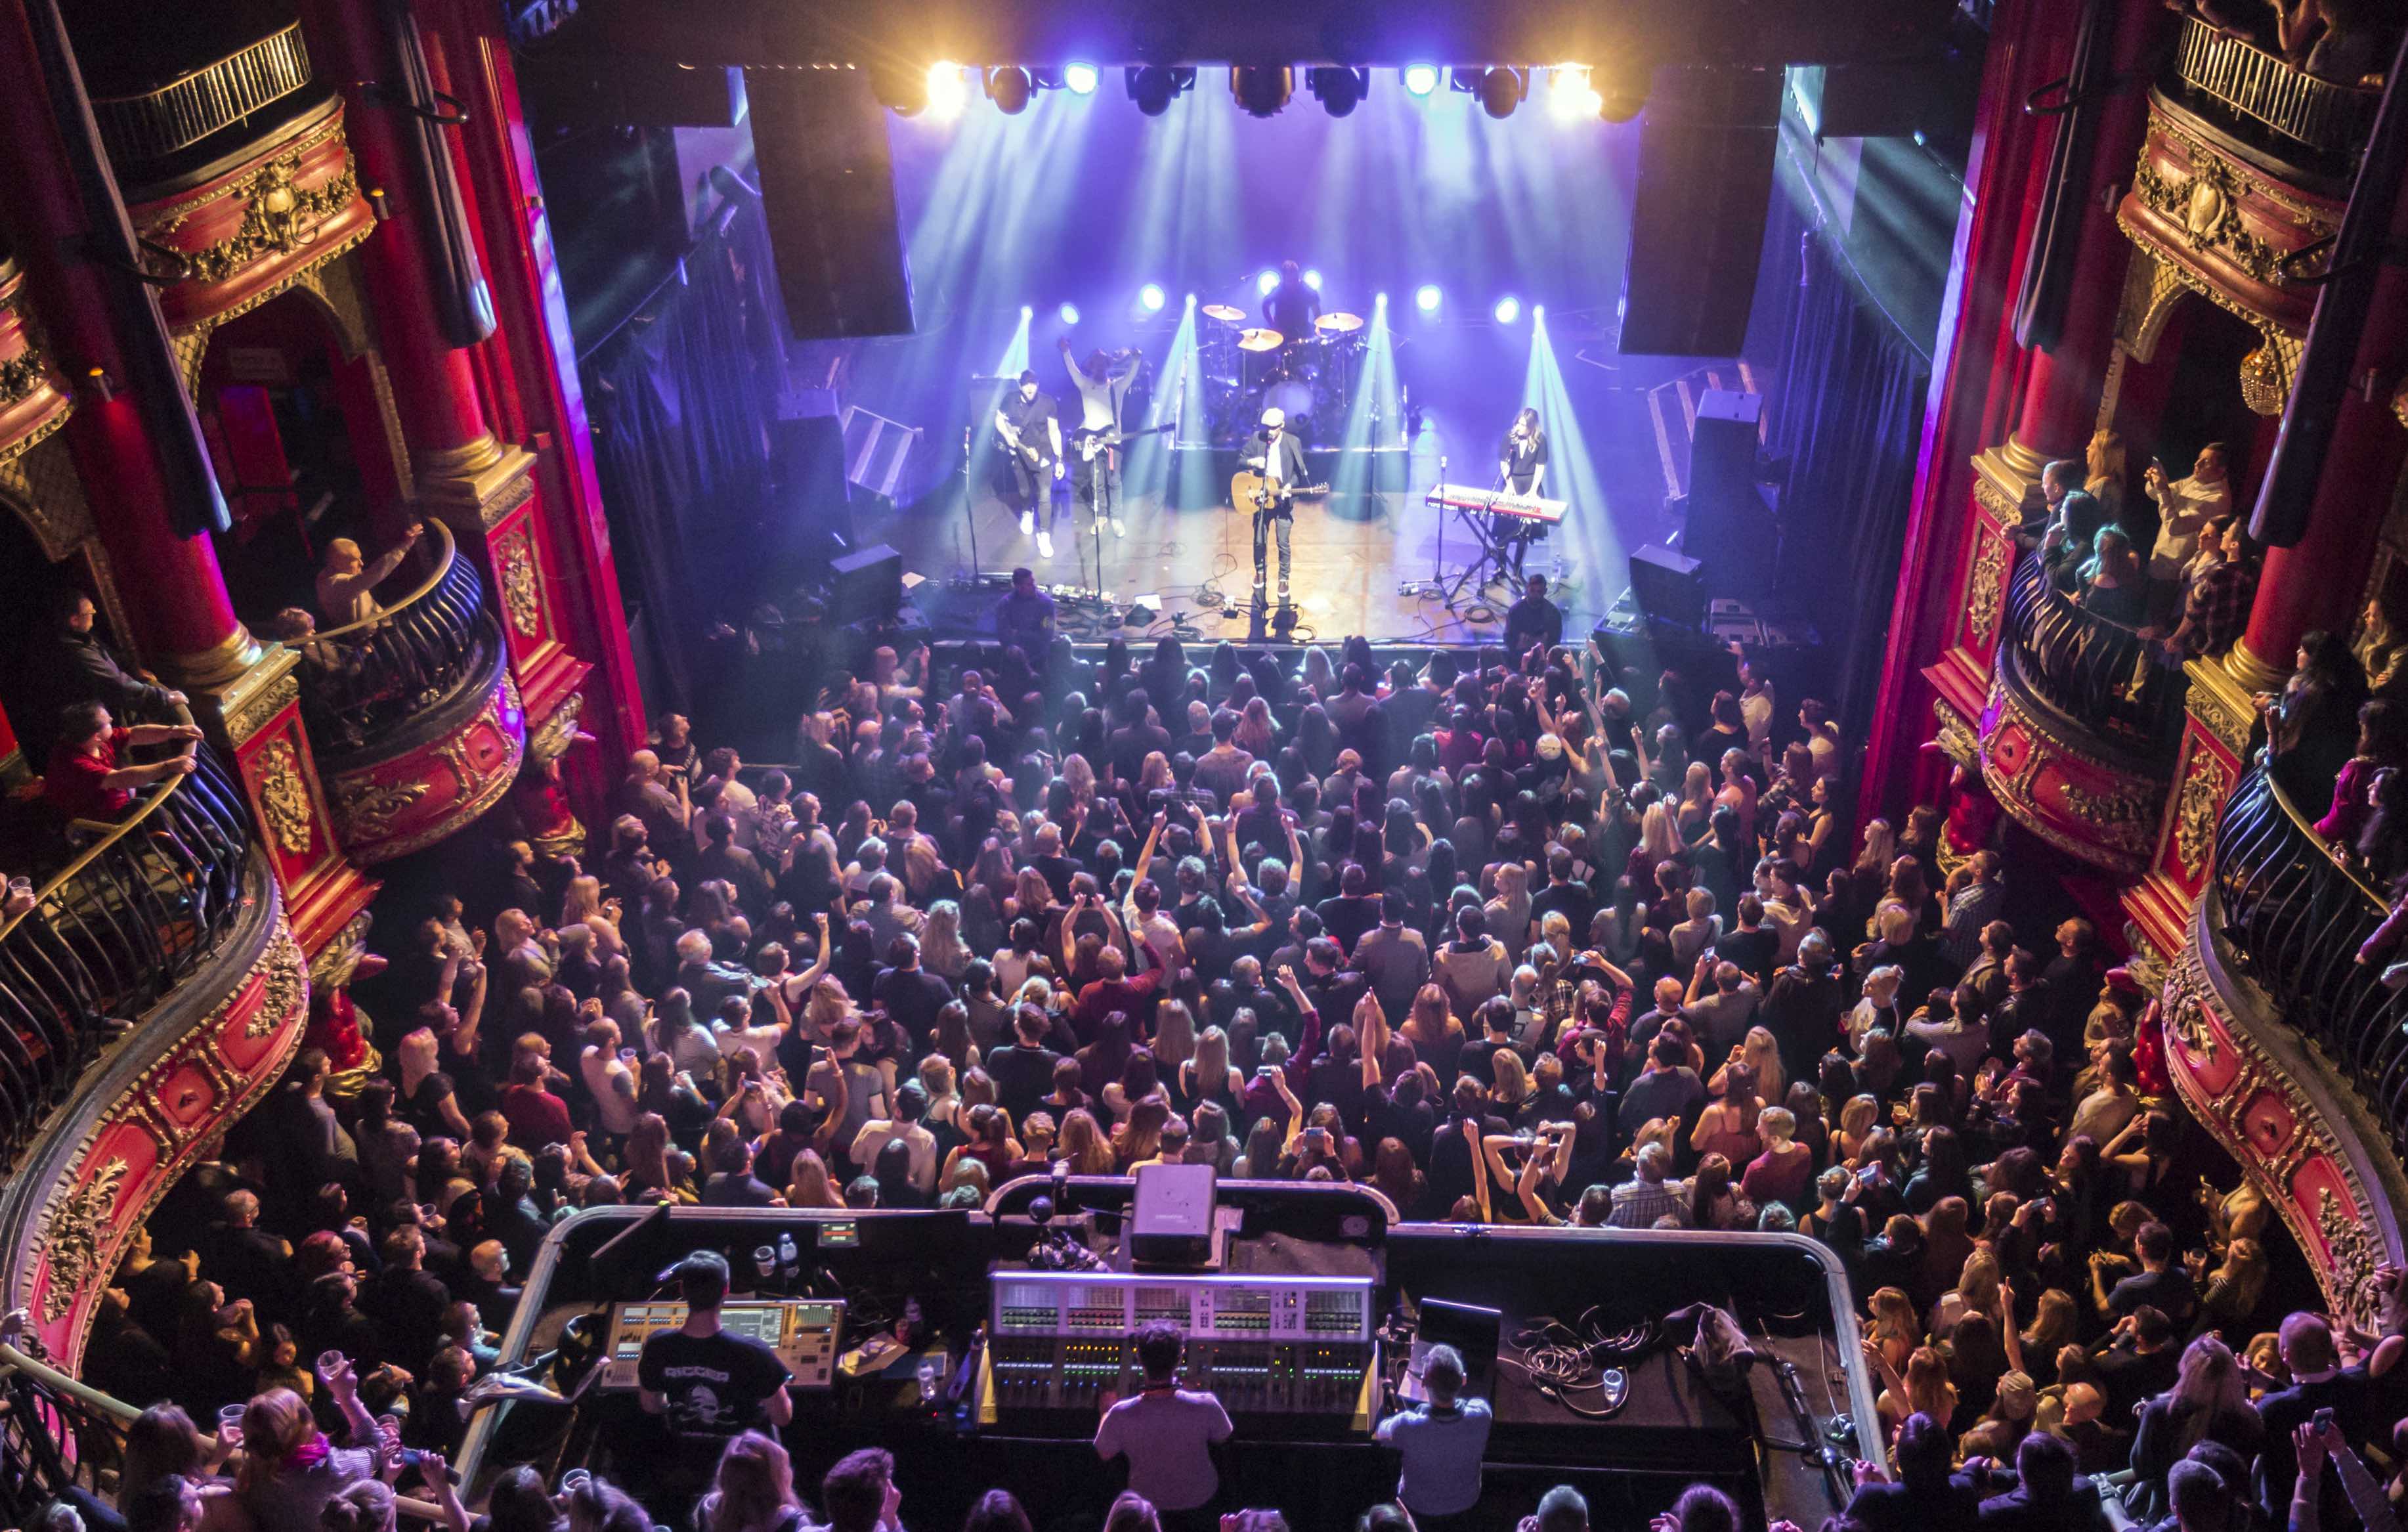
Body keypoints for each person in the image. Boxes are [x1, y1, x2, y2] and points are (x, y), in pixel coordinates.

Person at [636, 1251, 793, 1488]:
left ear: (682, 1290)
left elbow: (651, 1406)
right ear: (726, 1290)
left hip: (689, 1461)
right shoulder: (753, 1351)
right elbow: (782, 1418)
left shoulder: (658, 1345)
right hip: (746, 1470)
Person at [11, 587, 185, 760]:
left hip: (99, 719)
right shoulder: (73, 651)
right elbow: (115, 683)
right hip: (91, 726)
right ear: (74, 620)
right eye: (90, 612)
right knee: (117, 760)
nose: (94, 614)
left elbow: (114, 658)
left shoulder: (79, 636)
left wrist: (135, 671)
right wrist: (163, 698)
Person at [1094, 1321, 1234, 1521]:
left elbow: (1104, 1452)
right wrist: (1191, 1396)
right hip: (1201, 1506)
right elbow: (1225, 1439)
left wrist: (1106, 1412)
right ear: (1180, 1357)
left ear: (1139, 1358)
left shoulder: (1119, 1414)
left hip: (1147, 1512)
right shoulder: (1207, 1404)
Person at [1373, 1342, 1492, 1523]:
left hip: (1417, 1508)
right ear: (1464, 1380)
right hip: (1467, 1504)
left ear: (1423, 1382)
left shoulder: (1406, 1426)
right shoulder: (1482, 1415)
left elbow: (1381, 1432)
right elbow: (1474, 1403)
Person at [45, 701, 202, 825]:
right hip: (103, 822)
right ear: (96, 736)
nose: (112, 720)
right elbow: (120, 779)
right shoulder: (74, 763)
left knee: (169, 793)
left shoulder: (94, 741)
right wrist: (168, 766)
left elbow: (134, 734)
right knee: (153, 811)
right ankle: (190, 858)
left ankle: (206, 832)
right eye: (107, 722)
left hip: (122, 800)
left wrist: (174, 731)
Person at [1059, 336, 1144, 536]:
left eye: (1102, 365)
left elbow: (1132, 373)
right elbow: (1072, 369)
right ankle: (1102, 517)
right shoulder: (1085, 384)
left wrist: (1136, 359)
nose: (1098, 369)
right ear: (1091, 367)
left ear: (1107, 366)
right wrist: (1065, 352)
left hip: (1113, 441)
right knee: (1097, 481)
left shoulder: (1117, 386)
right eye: (1095, 365)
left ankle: (1116, 518)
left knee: (1114, 481)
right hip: (1092, 442)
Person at [2143, 444, 2231, 624]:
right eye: (2199, 457)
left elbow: (2175, 527)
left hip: (2173, 569)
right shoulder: (2195, 480)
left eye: (2205, 462)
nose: (2197, 464)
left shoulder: (2217, 499)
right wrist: (2154, 483)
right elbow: (2156, 494)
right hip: (2159, 558)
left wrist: (2163, 490)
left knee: (2153, 626)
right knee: (2143, 618)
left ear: (2221, 469)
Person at [1240, 408, 1310, 607]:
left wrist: (1290, 485)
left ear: (1282, 426)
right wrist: (1252, 461)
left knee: (1283, 542)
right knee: (1259, 540)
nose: (1269, 431)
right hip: (1261, 499)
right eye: (1267, 427)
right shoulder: (1257, 439)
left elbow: (1299, 473)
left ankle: (1283, 579)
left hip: (1283, 500)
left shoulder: (1293, 442)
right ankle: (1260, 571)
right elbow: (1239, 460)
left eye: (1273, 428)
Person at [995, 370, 1065, 558]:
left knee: (1044, 495)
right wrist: (1007, 435)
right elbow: (999, 420)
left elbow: (1054, 431)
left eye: (1033, 383)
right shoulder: (1010, 400)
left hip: (1043, 455)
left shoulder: (1048, 403)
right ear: (1020, 386)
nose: (1030, 387)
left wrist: (1059, 459)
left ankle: (1044, 534)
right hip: (1020, 454)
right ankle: (1027, 511)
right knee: (1025, 491)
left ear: (1038, 384)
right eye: (1026, 383)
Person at [316, 525, 425, 628]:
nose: (361, 564)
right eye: (355, 560)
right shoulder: (334, 584)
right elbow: (375, 573)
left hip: (382, 629)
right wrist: (404, 546)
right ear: (337, 564)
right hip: (376, 639)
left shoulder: (330, 575)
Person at [1496, 407, 1551, 579]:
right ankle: (1500, 568)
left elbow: (1540, 466)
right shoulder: (1509, 437)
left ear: (1532, 427)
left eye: (1523, 425)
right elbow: (1503, 462)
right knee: (1503, 529)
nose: (1519, 427)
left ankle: (1517, 569)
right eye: (1518, 423)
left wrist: (1533, 490)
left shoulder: (1541, 440)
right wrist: (1509, 485)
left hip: (1530, 485)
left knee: (1524, 531)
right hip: (1511, 482)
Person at [997, 569, 1056, 660]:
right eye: (1029, 584)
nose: (1034, 587)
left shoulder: (1046, 603)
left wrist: (1019, 634)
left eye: (1033, 582)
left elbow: (1048, 633)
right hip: (1013, 658)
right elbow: (1004, 635)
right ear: (1018, 587)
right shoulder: (1005, 604)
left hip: (1040, 656)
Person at [1503, 575, 1563, 664]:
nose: (1535, 595)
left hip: (1544, 662)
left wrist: (1526, 641)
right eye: (1532, 590)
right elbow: (1508, 639)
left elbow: (1555, 644)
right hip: (1518, 661)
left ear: (1545, 591)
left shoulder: (1553, 613)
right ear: (1527, 588)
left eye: (1539, 592)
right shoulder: (1515, 611)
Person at [1261, 261, 1321, 349]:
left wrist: (1318, 328)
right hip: (1282, 335)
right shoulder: (1279, 290)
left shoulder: (1306, 289)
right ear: (1284, 278)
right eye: (1290, 280)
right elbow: (1265, 305)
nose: (1294, 282)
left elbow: (1317, 312)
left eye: (1295, 279)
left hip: (1302, 332)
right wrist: (1272, 325)